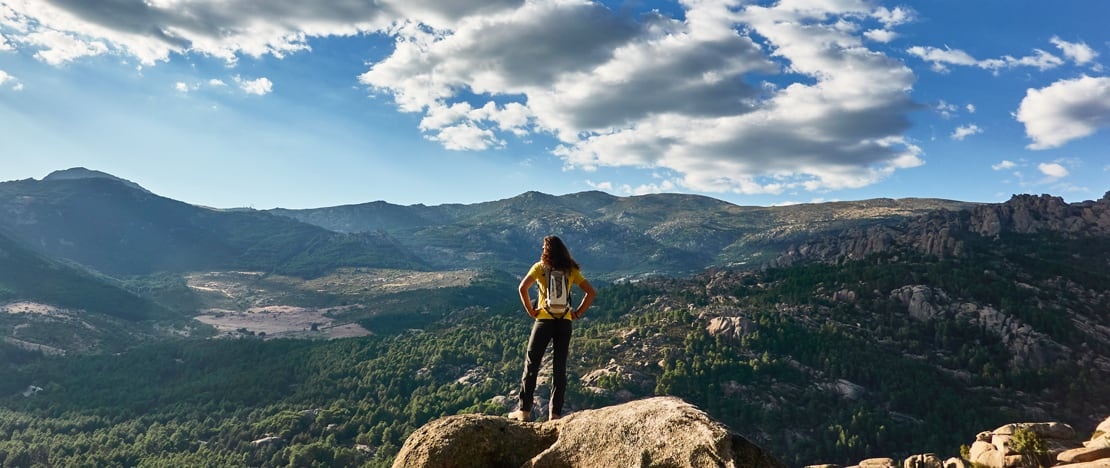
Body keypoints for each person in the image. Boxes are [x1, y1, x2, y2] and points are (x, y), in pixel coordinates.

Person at [510, 235, 596, 422]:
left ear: (547, 250)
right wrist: (577, 313)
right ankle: (555, 414)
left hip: (544, 320)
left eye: (543, 248)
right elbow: (591, 292)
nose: (541, 251)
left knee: (532, 364)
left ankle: (524, 412)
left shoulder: (540, 268)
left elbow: (522, 288)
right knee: (560, 368)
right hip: (564, 321)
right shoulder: (571, 270)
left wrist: (531, 311)